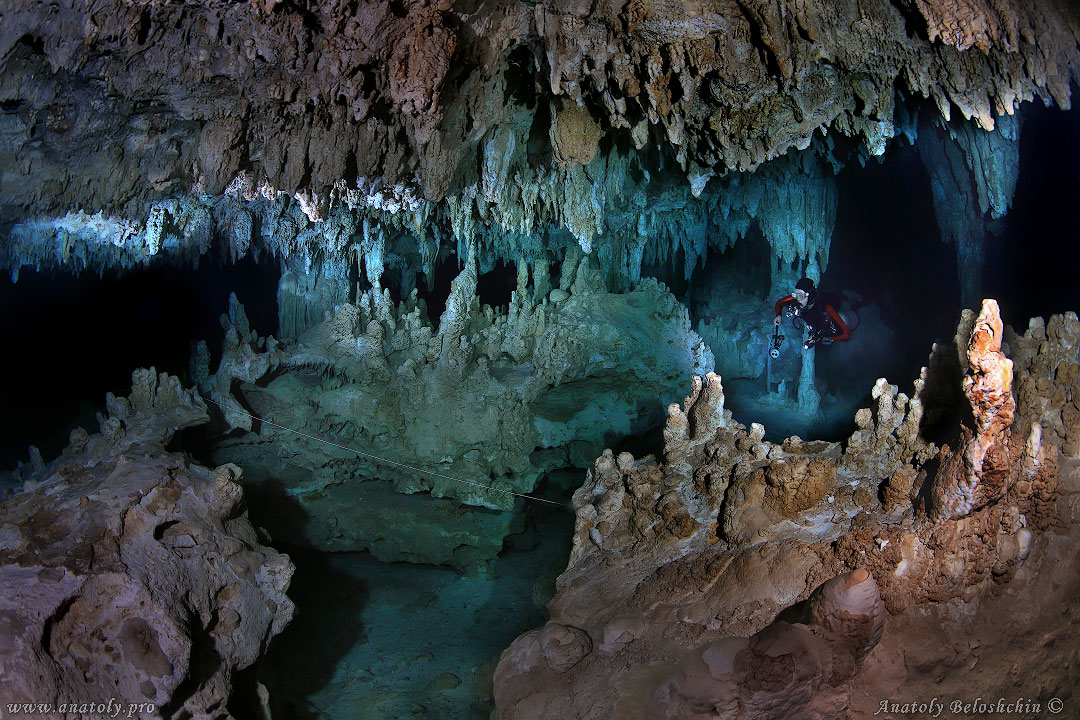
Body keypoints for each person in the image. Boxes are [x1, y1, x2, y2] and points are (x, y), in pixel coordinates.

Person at [773, 277, 850, 350]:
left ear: (809, 295)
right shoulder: (797, 300)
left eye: (800, 296)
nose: (798, 299)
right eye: (795, 295)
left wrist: (830, 338)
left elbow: (845, 334)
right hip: (812, 316)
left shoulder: (825, 307)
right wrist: (778, 315)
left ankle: (851, 301)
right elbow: (780, 302)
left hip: (831, 311)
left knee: (842, 322)